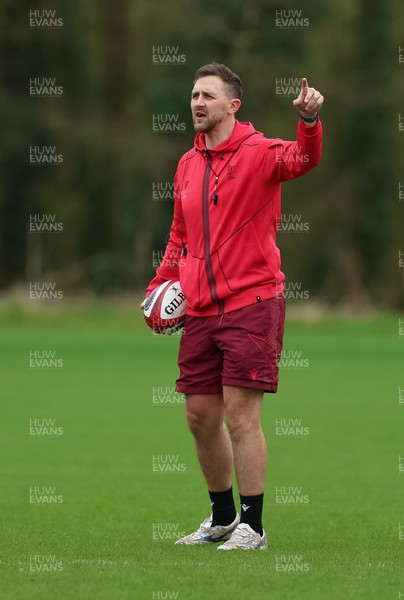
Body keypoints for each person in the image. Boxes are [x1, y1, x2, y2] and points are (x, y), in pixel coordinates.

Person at [142, 62, 323, 550]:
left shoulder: (261, 152)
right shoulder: (186, 164)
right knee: (200, 416)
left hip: (252, 302)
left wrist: (308, 121)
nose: (197, 103)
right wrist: (160, 286)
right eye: (194, 95)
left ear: (232, 105)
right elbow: (180, 238)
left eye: (207, 95)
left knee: (242, 415)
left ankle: (254, 526)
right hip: (200, 308)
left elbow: (303, 159)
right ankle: (222, 517)